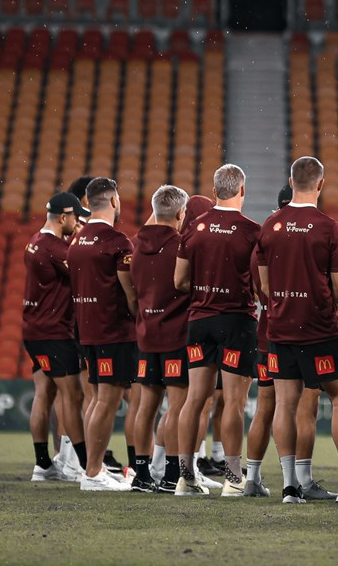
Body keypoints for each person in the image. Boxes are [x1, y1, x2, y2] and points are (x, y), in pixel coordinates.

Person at [260, 156, 338, 504]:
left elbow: (265, 285)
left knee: (284, 404)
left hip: (280, 328)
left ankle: (290, 486)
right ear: (320, 184)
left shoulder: (270, 225)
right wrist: (325, 307)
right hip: (320, 330)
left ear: (291, 182)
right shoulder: (328, 227)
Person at [172, 165, 261, 496]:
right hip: (236, 321)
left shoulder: (194, 228)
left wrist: (205, 291)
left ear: (214, 192)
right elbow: (260, 286)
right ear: (242, 190)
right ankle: (233, 479)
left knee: (194, 399)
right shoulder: (252, 231)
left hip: (199, 321)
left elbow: (179, 281)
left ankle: (185, 477)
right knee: (235, 402)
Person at [70, 177, 139, 491]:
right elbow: (131, 294)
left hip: (87, 329)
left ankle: (91, 469)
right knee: (107, 401)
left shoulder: (77, 240)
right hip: (113, 330)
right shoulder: (117, 242)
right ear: (113, 201)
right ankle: (93, 473)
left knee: (97, 399)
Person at [128, 185, 194, 493]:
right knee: (177, 407)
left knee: (146, 406)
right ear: (181, 213)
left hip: (146, 334)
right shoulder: (182, 246)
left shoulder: (135, 245)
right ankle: (171, 474)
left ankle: (141, 474)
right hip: (176, 334)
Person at [23, 192, 89, 483]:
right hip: (54, 332)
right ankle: (88, 467)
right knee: (73, 396)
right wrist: (82, 238)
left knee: (45, 393)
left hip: (34, 329)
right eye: (76, 217)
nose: (78, 222)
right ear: (64, 217)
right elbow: (84, 270)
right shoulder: (55, 248)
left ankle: (43, 464)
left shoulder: (35, 241)